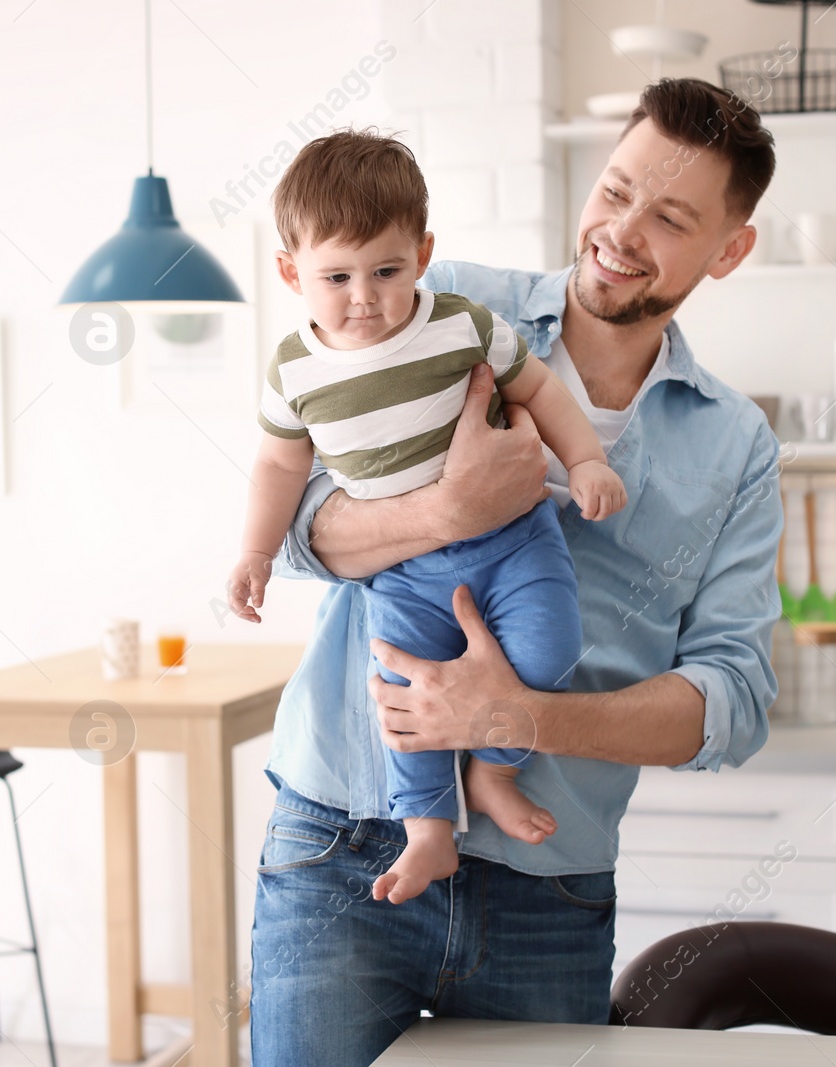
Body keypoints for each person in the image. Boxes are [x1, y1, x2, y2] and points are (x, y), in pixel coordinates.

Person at [247, 77, 784, 1067]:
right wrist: (445, 511)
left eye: (668, 217)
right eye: (615, 190)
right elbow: (291, 528)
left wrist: (521, 720)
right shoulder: (432, 307)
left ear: (728, 249)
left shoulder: (737, 445)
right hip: (342, 842)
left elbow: (734, 699)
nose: (620, 231)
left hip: (547, 881)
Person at [226, 129, 626, 906]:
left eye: (387, 270)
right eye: (335, 276)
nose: (365, 296)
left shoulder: (460, 324)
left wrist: (585, 462)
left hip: (515, 543)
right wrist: (255, 551)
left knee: (551, 650)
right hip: (402, 571)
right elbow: (280, 466)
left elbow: (540, 389)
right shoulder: (294, 371)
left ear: (423, 250)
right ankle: (429, 833)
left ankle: (493, 772)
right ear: (289, 272)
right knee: (400, 701)